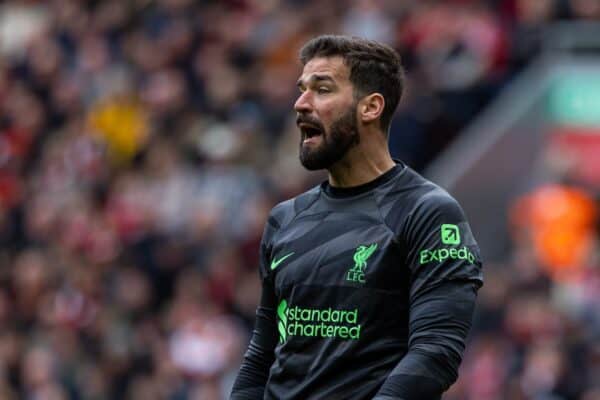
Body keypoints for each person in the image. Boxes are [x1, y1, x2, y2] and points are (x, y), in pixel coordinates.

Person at [231, 35, 483, 400]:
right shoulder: (285, 219)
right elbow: (261, 357)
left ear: (371, 107)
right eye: (302, 89)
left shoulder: (427, 213)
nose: (300, 103)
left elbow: (435, 353)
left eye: (322, 89)